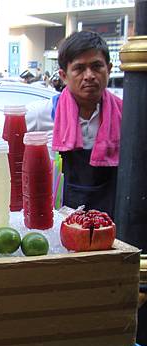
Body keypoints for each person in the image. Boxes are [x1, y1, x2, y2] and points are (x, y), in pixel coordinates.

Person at [25, 30, 122, 217]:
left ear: (109, 69)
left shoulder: (125, 117)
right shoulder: (41, 113)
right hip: (55, 232)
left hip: (111, 231)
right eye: (79, 68)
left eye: (96, 66)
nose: (89, 75)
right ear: (63, 75)